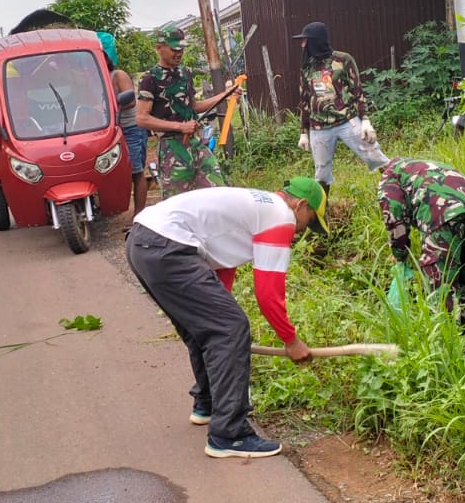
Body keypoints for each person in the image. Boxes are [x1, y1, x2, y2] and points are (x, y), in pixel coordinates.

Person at [126, 177, 326, 458]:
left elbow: (221, 265)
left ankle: (207, 404)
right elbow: (269, 294)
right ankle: (229, 434)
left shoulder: (255, 203)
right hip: (168, 247)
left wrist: (222, 318)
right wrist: (291, 341)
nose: (303, 230)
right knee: (230, 329)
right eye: (310, 220)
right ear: (301, 204)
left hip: (143, 241)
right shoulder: (281, 216)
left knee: (207, 328)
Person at [379, 157, 465, 324]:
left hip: (443, 214)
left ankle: (451, 340)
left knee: (440, 284)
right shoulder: (418, 165)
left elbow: (394, 218)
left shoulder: (390, 176)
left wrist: (399, 255)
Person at [136, 26, 241, 196]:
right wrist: (180, 127)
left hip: (196, 142)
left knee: (217, 191)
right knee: (178, 202)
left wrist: (225, 96)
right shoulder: (150, 79)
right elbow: (141, 118)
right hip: (172, 147)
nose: (179, 53)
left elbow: (193, 106)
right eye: (174, 49)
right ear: (159, 48)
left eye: (182, 49)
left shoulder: (185, 73)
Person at [293, 21, 389, 196]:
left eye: (305, 40)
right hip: (319, 128)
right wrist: (303, 132)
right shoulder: (307, 68)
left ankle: (401, 191)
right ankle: (322, 215)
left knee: (375, 155)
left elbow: (357, 90)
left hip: (348, 121)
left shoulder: (343, 60)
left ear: (316, 40)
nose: (302, 45)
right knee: (321, 175)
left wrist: (365, 120)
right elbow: (305, 100)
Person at [106, 33, 150, 216]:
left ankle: (139, 215)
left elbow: (131, 99)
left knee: (136, 171)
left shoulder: (118, 75)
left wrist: (108, 105)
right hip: (111, 129)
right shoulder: (98, 76)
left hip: (131, 127)